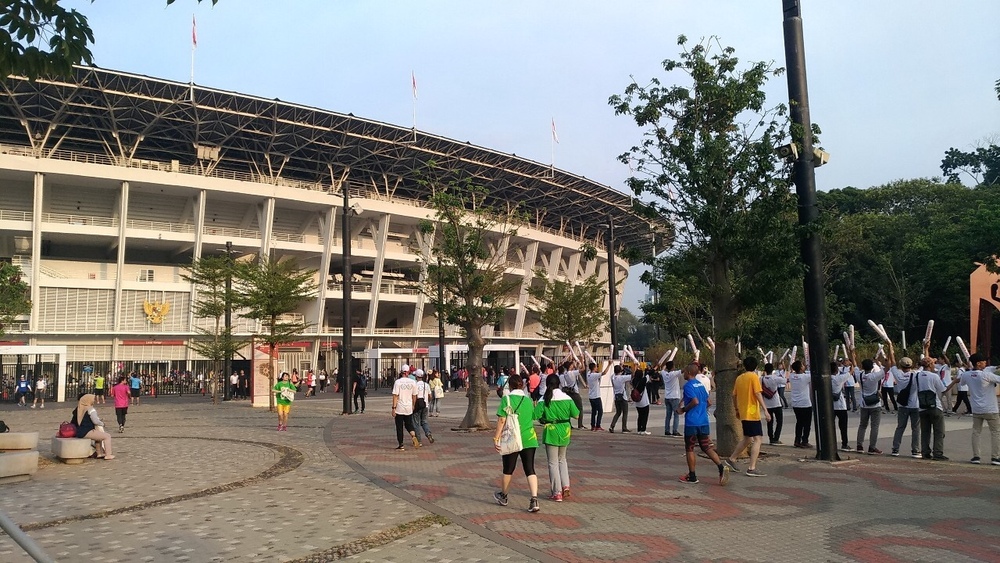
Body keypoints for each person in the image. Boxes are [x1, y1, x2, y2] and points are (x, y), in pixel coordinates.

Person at [493, 373, 541, 513]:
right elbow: (533, 416)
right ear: (522, 385)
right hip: (529, 438)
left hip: (511, 438)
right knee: (530, 469)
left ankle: (504, 496)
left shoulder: (506, 399)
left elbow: (502, 420)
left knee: (508, 469)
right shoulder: (528, 400)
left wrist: (496, 437)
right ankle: (534, 499)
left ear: (510, 386)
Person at [678, 363, 730, 485]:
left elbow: (695, 401)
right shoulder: (701, 385)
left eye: (685, 371)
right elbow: (709, 402)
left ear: (689, 373)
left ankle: (692, 476)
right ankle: (721, 467)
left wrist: (684, 409)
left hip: (692, 422)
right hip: (703, 421)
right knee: (706, 447)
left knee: (690, 448)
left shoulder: (688, 386)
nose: (683, 374)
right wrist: (701, 410)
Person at [945, 353, 1000, 465]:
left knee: (976, 433)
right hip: (991, 409)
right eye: (983, 361)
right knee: (995, 433)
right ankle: (995, 457)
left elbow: (961, 381)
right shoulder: (987, 375)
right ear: (978, 363)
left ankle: (976, 456)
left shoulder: (967, 375)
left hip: (977, 409)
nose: (985, 363)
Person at [534, 373, 580, 502]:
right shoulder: (567, 398)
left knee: (553, 462)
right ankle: (566, 486)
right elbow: (576, 415)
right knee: (562, 459)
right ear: (559, 383)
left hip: (551, 431)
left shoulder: (544, 399)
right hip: (565, 430)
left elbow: (535, 415)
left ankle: (557, 492)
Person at [725, 357, 771, 476]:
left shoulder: (739, 378)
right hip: (752, 413)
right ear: (756, 366)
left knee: (747, 438)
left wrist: (736, 409)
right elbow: (757, 394)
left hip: (743, 412)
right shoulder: (753, 377)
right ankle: (751, 468)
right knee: (758, 439)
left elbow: (734, 395)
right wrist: (765, 410)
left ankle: (732, 459)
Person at [888, 344, 921, 458]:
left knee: (900, 427)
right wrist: (926, 349)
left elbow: (892, 363)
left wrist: (890, 348)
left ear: (901, 366)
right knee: (915, 429)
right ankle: (915, 450)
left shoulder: (898, 375)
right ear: (911, 365)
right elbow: (924, 365)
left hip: (902, 405)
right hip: (915, 405)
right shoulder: (916, 374)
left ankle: (895, 449)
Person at [915, 346, 948, 460]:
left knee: (925, 431)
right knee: (939, 431)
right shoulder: (934, 376)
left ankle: (925, 452)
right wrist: (953, 383)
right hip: (935, 406)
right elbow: (942, 390)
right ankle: (937, 452)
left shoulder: (917, 375)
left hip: (922, 406)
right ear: (930, 365)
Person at [855, 355, 884, 454]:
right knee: (874, 426)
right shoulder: (874, 376)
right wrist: (880, 363)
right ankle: (872, 447)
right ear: (872, 367)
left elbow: (854, 365)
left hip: (864, 403)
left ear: (862, 367)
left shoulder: (859, 375)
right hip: (875, 404)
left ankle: (859, 445)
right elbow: (886, 369)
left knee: (862, 425)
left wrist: (852, 354)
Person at [71, 394, 114, 460]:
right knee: (107, 436)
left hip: (79, 431)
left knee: (98, 437)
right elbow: (95, 421)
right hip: (87, 431)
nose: (94, 400)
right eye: (93, 399)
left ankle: (99, 453)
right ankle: (108, 454)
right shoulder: (90, 409)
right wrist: (102, 423)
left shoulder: (79, 409)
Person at [391, 370, 420, 450]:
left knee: (399, 427)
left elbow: (395, 396)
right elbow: (414, 396)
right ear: (408, 373)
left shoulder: (398, 382)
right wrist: (413, 405)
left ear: (401, 373)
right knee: (408, 424)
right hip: (409, 407)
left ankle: (401, 444)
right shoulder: (413, 382)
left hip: (399, 407)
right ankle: (413, 435)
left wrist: (393, 408)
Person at [787, 360, 813, 448]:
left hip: (795, 403)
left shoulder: (791, 376)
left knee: (799, 423)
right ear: (801, 368)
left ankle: (797, 440)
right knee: (807, 424)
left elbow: (794, 372)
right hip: (805, 403)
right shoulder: (805, 377)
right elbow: (813, 375)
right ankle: (804, 440)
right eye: (802, 365)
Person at [558, 361, 587, 429]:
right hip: (575, 392)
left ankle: (569, 423)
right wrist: (582, 360)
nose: (572, 365)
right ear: (570, 366)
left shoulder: (565, 374)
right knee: (580, 408)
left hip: (569, 392)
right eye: (571, 365)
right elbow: (583, 369)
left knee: (568, 409)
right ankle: (580, 424)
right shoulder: (572, 373)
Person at [831, 362, 852, 452]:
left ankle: (830, 443)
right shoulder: (839, 378)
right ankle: (844, 444)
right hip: (840, 406)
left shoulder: (826, 378)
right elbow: (851, 371)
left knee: (830, 426)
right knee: (843, 426)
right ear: (836, 370)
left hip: (830, 406)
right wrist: (851, 362)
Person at [761, 363, 784, 445]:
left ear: (765, 370)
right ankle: (776, 438)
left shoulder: (761, 379)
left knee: (769, 422)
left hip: (767, 404)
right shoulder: (775, 378)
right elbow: (785, 381)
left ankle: (771, 438)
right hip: (776, 403)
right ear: (772, 370)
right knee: (779, 421)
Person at [661, 361, 683, 437]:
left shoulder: (664, 373)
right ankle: (675, 430)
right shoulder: (674, 374)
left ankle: (667, 430)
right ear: (673, 367)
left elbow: (663, 368)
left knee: (668, 415)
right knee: (676, 414)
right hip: (674, 396)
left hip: (667, 396)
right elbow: (683, 370)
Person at [608, 365, 631, 433]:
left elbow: (615, 374)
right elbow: (632, 375)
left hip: (616, 397)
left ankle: (612, 426)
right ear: (620, 371)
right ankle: (624, 427)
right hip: (623, 397)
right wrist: (625, 369)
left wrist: (621, 368)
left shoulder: (612, 377)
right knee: (625, 413)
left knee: (618, 412)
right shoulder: (622, 378)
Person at [414, 371, 435, 444]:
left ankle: (419, 441)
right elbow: (430, 396)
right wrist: (428, 402)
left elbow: (414, 396)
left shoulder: (415, 385)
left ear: (416, 376)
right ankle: (428, 433)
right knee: (424, 421)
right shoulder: (426, 385)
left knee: (416, 423)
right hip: (425, 405)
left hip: (417, 406)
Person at [586, 362, 607, 431]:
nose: (597, 368)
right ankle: (598, 425)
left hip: (591, 396)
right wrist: (609, 365)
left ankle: (592, 425)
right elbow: (604, 373)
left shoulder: (588, 374)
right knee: (600, 411)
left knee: (594, 411)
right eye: (596, 367)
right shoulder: (594, 375)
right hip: (596, 396)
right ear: (594, 368)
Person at [632, 367, 652, 435]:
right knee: (645, 416)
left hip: (637, 402)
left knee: (640, 416)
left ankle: (639, 429)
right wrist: (657, 366)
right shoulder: (643, 380)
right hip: (644, 401)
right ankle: (643, 429)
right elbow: (650, 373)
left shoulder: (634, 381)